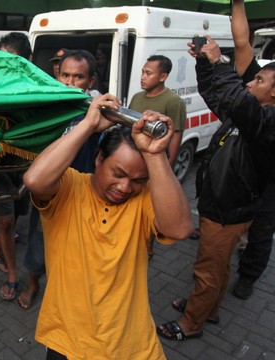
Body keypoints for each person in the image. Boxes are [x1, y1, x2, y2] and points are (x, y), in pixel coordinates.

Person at [24, 93, 192, 359]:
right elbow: (34, 180)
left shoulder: (144, 199)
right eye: (119, 174)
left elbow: (180, 229)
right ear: (99, 159)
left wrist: (155, 154)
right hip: (66, 339)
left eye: (139, 180)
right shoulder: (70, 186)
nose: (126, 187)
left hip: (127, 346)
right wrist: (87, 125)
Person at [157, 24, 275, 341]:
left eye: (259, 80)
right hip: (221, 206)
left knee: (207, 269)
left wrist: (221, 62)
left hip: (228, 211)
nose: (251, 83)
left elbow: (236, 98)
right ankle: (206, 307)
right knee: (218, 267)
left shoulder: (266, 122)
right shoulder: (248, 115)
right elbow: (216, 94)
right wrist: (202, 62)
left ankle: (191, 323)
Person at [17, 49, 101, 310]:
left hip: (83, 194)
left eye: (78, 77)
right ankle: (32, 284)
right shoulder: (48, 106)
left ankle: (66, 291)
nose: (69, 82)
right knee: (38, 243)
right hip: (48, 192)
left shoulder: (97, 113)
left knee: (77, 249)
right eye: (65, 75)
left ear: (91, 82)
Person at [225, 0, 275, 301]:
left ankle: (247, 277)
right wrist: (237, 2)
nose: (252, 82)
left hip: (269, 186)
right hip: (239, 177)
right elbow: (242, 42)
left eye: (259, 79)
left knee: (260, 234)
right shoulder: (257, 85)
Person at [0, 32, 33, 301]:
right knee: (4, 220)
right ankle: (13, 275)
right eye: (1, 59)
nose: (6, 65)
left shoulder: (37, 87)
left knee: (16, 214)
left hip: (25, 161)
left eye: (13, 60)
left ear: (27, 60)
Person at [128, 55, 187, 166]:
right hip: (132, 159)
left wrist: (167, 169)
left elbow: (176, 136)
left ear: (163, 77)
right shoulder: (137, 97)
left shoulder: (174, 101)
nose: (143, 77)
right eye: (142, 72)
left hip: (154, 162)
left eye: (148, 73)